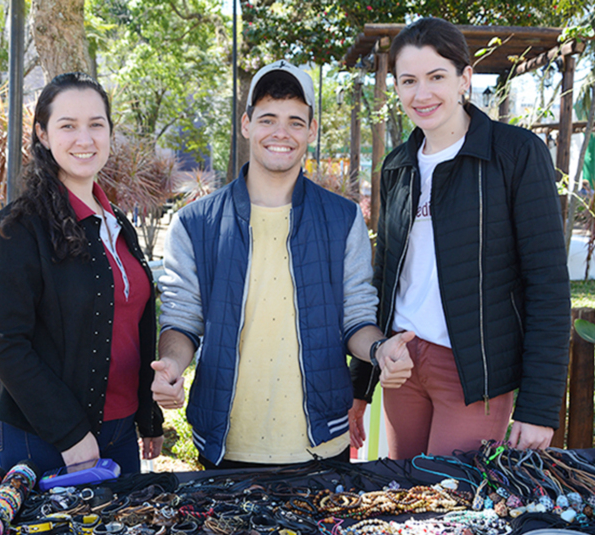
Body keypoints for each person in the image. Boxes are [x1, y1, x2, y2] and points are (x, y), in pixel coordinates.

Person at [152, 60, 414, 469]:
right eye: (268, 118)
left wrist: (379, 349)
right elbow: (182, 321)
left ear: (311, 131)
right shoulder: (195, 222)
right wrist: (170, 365)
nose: (281, 133)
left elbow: (356, 318)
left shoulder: (343, 218)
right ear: (246, 124)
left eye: (295, 121)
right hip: (225, 446)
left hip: (321, 445)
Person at [349, 17, 571, 460]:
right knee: (403, 493)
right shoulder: (397, 165)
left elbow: (547, 283)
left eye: (436, 77)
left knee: (450, 510)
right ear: (395, 86)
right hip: (404, 362)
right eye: (408, 80)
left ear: (464, 79)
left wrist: (540, 407)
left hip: (473, 370)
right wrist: (363, 385)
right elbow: (384, 281)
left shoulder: (515, 154)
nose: (422, 94)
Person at [0, 72, 163, 476]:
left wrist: (148, 416)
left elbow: (133, 324)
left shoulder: (117, 225)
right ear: (43, 135)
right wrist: (70, 434)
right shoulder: (18, 229)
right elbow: (4, 341)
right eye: (68, 126)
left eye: (96, 124)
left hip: (119, 429)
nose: (85, 139)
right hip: (48, 439)